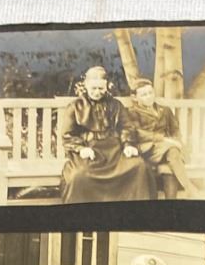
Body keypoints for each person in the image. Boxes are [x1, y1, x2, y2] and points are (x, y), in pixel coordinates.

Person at [58, 66, 154, 203]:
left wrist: (128, 144)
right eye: (94, 88)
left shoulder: (116, 105)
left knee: (138, 166)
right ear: (86, 85)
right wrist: (81, 148)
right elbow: (67, 135)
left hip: (114, 150)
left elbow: (126, 127)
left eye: (101, 88)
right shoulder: (75, 106)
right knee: (78, 176)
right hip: (89, 150)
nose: (97, 92)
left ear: (106, 86)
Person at [122, 77, 192, 199]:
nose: (149, 97)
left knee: (168, 166)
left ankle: (173, 201)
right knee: (172, 150)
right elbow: (138, 133)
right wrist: (163, 139)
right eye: (144, 95)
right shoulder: (132, 113)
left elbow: (175, 129)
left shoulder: (164, 110)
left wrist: (176, 141)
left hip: (166, 151)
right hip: (147, 149)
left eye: (150, 93)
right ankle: (191, 190)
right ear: (135, 97)